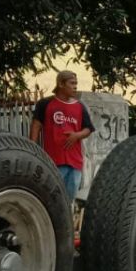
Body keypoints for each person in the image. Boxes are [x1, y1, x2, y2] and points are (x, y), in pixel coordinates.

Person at [30, 71, 94, 202]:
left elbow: (88, 129)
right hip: (53, 161)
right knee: (52, 198)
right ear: (60, 84)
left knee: (68, 200)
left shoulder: (80, 106)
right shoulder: (45, 104)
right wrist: (32, 148)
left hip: (75, 162)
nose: (75, 86)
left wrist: (76, 135)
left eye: (76, 83)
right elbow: (36, 126)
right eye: (72, 83)